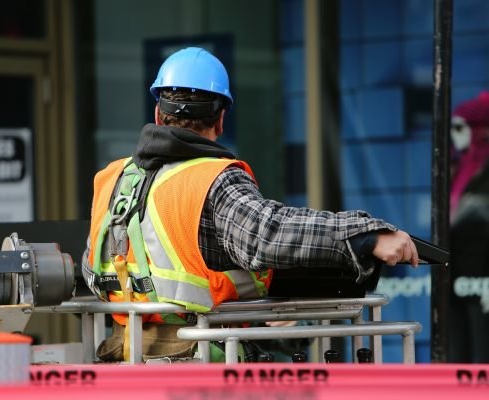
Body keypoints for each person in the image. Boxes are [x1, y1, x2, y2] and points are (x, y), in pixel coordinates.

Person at [81, 47, 419, 362]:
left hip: (124, 360)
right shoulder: (211, 179)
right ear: (221, 119)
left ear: (157, 112)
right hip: (199, 364)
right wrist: (366, 235)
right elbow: (267, 233)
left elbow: (93, 266)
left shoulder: (112, 179)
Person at [448, 92, 489, 363]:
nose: (454, 135)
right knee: (457, 351)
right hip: (456, 274)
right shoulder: (457, 168)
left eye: (460, 127)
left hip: (484, 276)